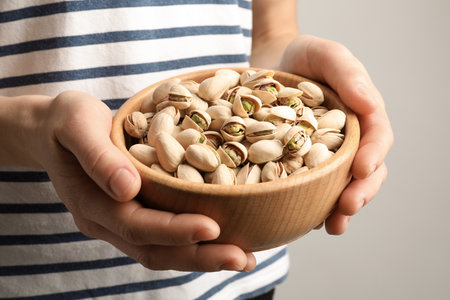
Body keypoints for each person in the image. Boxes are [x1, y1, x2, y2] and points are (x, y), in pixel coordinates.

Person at [0, 0, 393, 299]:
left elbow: (271, 32)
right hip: (43, 273)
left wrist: (281, 59)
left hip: (242, 266)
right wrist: (32, 128)